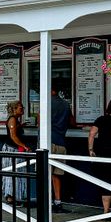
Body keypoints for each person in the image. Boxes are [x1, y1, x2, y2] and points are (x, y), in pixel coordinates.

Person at [2, 100, 31, 205]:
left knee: (18, 172)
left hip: (15, 148)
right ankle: (10, 196)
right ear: (14, 109)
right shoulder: (12, 119)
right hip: (11, 149)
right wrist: (24, 146)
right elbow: (13, 136)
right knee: (12, 172)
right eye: (20, 107)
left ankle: (17, 196)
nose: (22, 109)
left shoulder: (16, 121)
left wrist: (21, 126)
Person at [50, 82, 73, 213]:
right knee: (57, 174)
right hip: (61, 141)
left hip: (47, 142)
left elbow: (40, 122)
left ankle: (46, 201)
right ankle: (57, 201)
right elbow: (72, 122)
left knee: (45, 172)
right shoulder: (65, 104)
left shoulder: (45, 102)